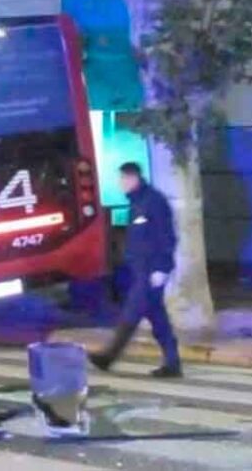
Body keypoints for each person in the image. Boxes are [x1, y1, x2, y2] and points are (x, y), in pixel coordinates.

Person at [89, 162, 182, 378]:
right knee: (158, 318)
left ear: (135, 178)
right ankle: (173, 362)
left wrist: (162, 268)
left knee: (131, 312)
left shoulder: (153, 201)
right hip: (140, 270)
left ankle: (109, 356)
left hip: (151, 271)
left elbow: (166, 236)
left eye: (124, 179)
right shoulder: (137, 203)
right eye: (121, 179)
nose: (121, 183)